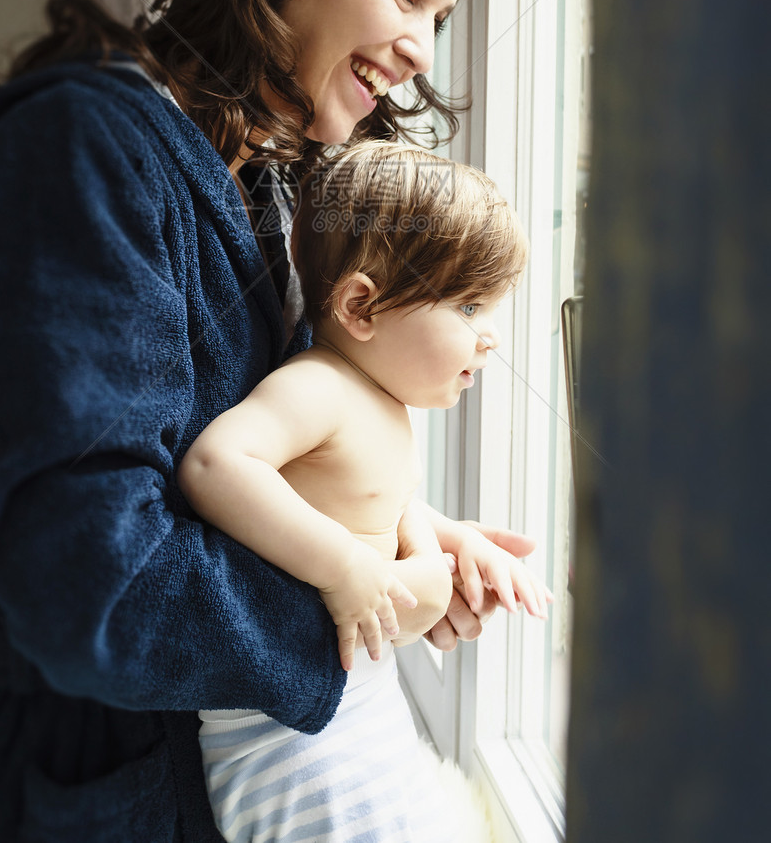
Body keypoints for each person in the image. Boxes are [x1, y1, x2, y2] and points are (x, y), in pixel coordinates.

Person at [0, 0, 532, 843]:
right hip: (19, 781)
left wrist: (396, 533)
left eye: (442, 15)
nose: (421, 49)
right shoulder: (84, 157)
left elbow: (263, 466)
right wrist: (367, 601)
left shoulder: (267, 189)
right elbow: (93, 589)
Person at [178, 140, 551, 842]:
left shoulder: (374, 398)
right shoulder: (318, 387)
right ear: (362, 307)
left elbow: (365, 500)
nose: (491, 337)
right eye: (470, 307)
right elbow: (215, 465)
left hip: (354, 710)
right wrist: (347, 568)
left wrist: (454, 539)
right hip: (290, 740)